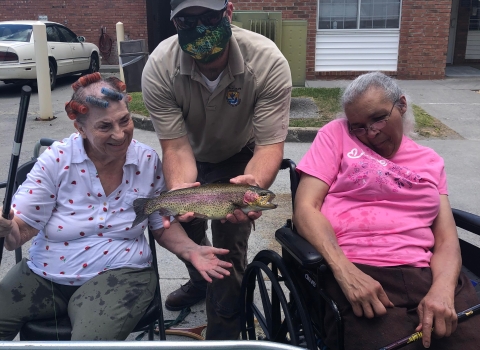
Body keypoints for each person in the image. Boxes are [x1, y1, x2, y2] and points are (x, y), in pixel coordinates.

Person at [0, 72, 232, 341]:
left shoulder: (146, 160)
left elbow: (159, 222)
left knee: (90, 345)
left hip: (121, 274)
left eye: (125, 120)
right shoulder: (56, 160)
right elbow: (20, 229)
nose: (120, 134)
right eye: (105, 126)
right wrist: (7, 226)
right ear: (80, 129)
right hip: (45, 274)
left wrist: (190, 249)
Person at [293, 71, 480, 349]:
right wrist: (345, 272)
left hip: (423, 272)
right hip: (358, 266)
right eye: (358, 126)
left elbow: (446, 239)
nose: (370, 133)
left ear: (401, 105)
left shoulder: (430, 161)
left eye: (378, 118)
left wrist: (442, 289)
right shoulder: (336, 135)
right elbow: (306, 208)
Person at [141, 0, 292, 340]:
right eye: (187, 20)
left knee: (230, 245)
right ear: (174, 22)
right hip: (189, 154)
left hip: (240, 157)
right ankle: (199, 281)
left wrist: (253, 184)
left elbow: (269, 146)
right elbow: (176, 146)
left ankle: (223, 332)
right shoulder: (159, 67)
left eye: (208, 16)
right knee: (188, 227)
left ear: (229, 11)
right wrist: (181, 192)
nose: (200, 27)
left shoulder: (267, 62)